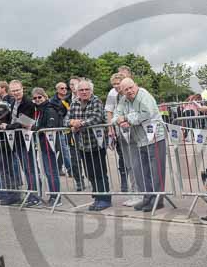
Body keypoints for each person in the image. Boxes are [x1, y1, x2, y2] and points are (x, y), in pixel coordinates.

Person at [113, 79, 167, 212]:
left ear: (136, 86)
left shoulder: (144, 96)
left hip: (154, 137)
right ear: (123, 91)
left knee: (156, 171)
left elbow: (146, 114)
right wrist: (120, 121)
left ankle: (158, 200)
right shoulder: (123, 100)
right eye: (126, 90)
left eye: (131, 87)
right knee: (143, 172)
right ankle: (147, 198)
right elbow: (115, 115)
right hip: (139, 140)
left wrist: (126, 119)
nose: (130, 91)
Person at [67, 79, 111, 211]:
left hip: (96, 144)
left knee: (100, 172)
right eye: (81, 90)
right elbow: (66, 119)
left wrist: (79, 124)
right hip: (82, 145)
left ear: (91, 90)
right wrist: (71, 123)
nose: (84, 92)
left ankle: (105, 199)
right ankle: (97, 197)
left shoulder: (96, 101)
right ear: (77, 91)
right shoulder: (74, 103)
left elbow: (96, 118)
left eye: (87, 89)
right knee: (89, 173)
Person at [7, 80, 40, 207]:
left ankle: (35, 195)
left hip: (27, 139)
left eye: (17, 90)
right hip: (17, 140)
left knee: (30, 168)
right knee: (26, 169)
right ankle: (31, 193)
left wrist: (8, 126)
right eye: (13, 90)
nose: (16, 93)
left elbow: (23, 121)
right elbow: (13, 119)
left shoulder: (28, 103)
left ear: (22, 88)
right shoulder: (12, 102)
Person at [105, 72, 136, 199]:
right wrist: (111, 127)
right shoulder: (114, 95)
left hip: (134, 131)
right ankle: (134, 191)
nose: (116, 86)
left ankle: (140, 192)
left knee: (136, 162)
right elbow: (110, 112)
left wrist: (125, 119)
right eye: (114, 84)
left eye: (118, 84)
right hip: (121, 132)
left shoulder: (132, 93)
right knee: (126, 161)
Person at [31, 87, 63, 204]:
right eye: (35, 98)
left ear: (45, 96)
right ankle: (53, 195)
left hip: (50, 144)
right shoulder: (38, 110)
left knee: (51, 171)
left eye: (39, 97)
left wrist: (35, 128)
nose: (37, 99)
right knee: (48, 171)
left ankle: (56, 197)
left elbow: (50, 126)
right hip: (42, 144)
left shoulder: (49, 109)